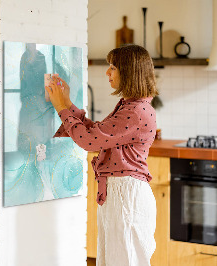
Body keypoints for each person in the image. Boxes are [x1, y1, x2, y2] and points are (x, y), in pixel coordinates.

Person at [45, 44, 158, 266]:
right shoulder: (131, 106)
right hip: (120, 193)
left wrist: (61, 108)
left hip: (126, 195)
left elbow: (89, 141)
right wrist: (67, 103)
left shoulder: (135, 111)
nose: (107, 72)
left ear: (129, 71)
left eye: (113, 67)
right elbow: (97, 133)